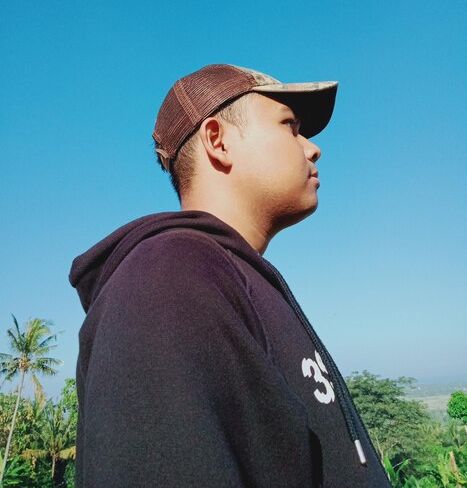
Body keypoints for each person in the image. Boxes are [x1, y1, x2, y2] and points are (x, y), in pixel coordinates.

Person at [70, 63, 390, 487]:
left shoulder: (228, 278)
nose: (313, 149)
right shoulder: (167, 276)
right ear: (218, 141)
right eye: (289, 126)